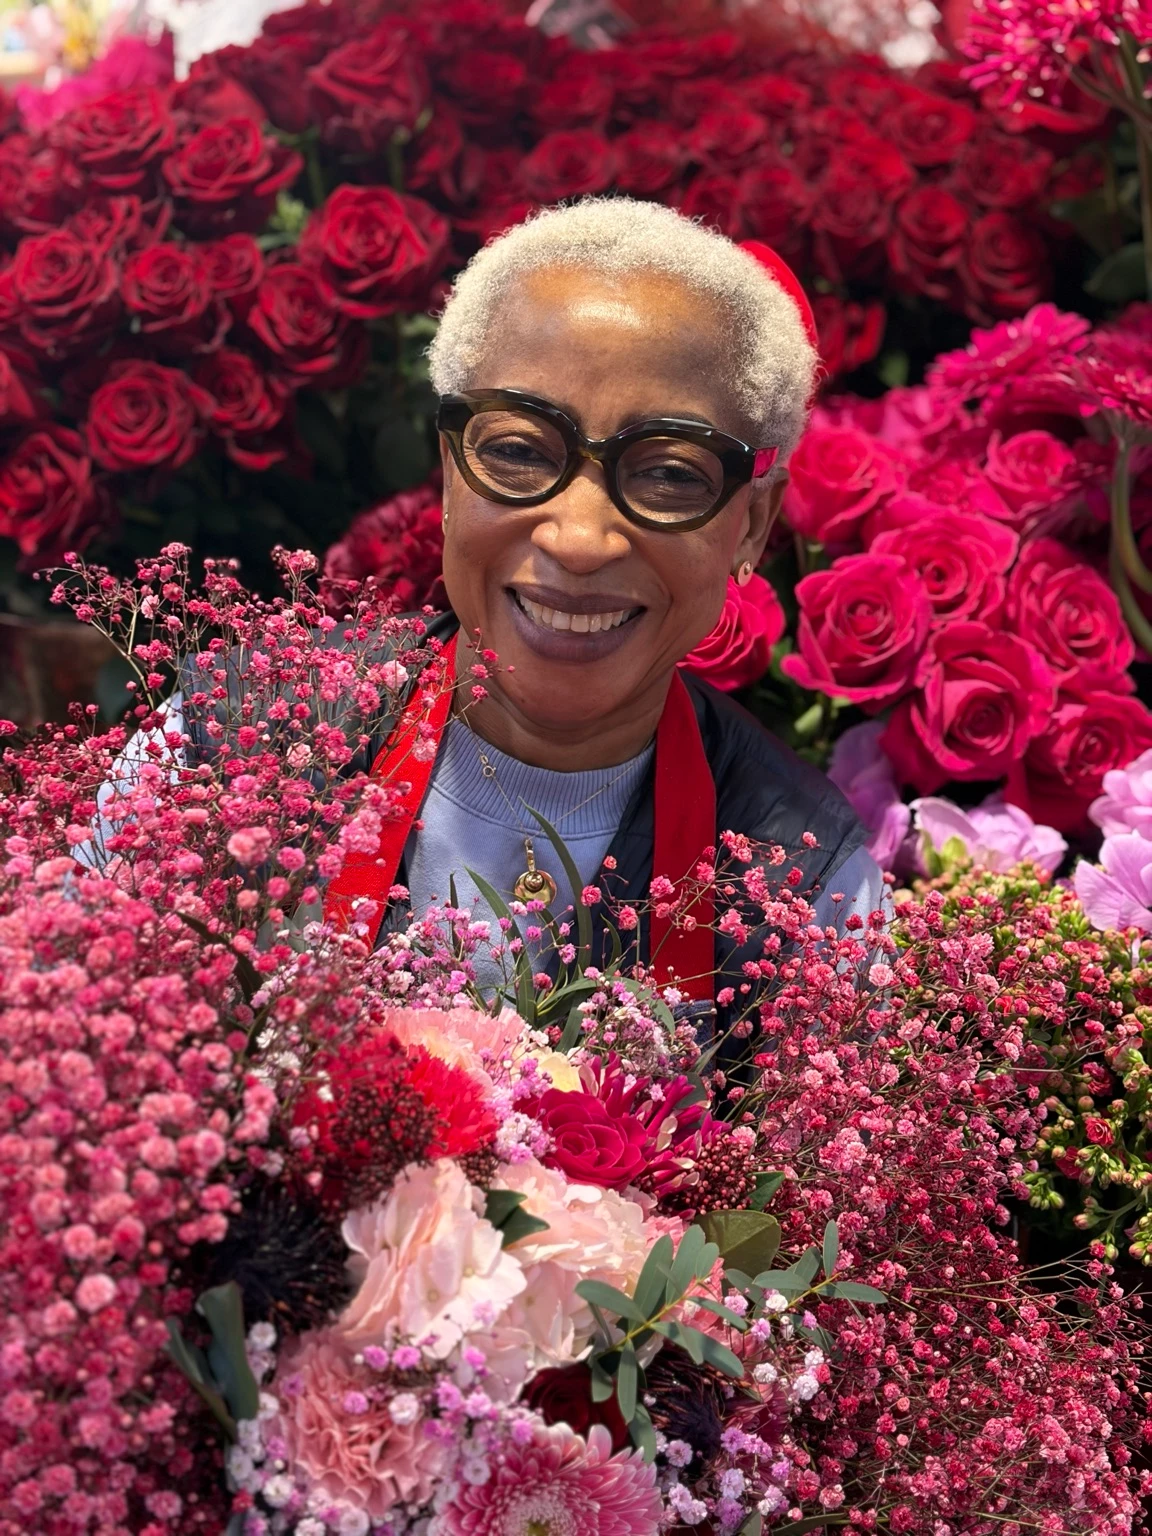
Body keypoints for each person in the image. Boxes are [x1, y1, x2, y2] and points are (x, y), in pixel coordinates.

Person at [86, 197, 883, 1014]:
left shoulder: (804, 882)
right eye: (516, 451)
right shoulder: (227, 744)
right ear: (447, 472)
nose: (580, 538)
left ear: (751, 524)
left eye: (669, 473)